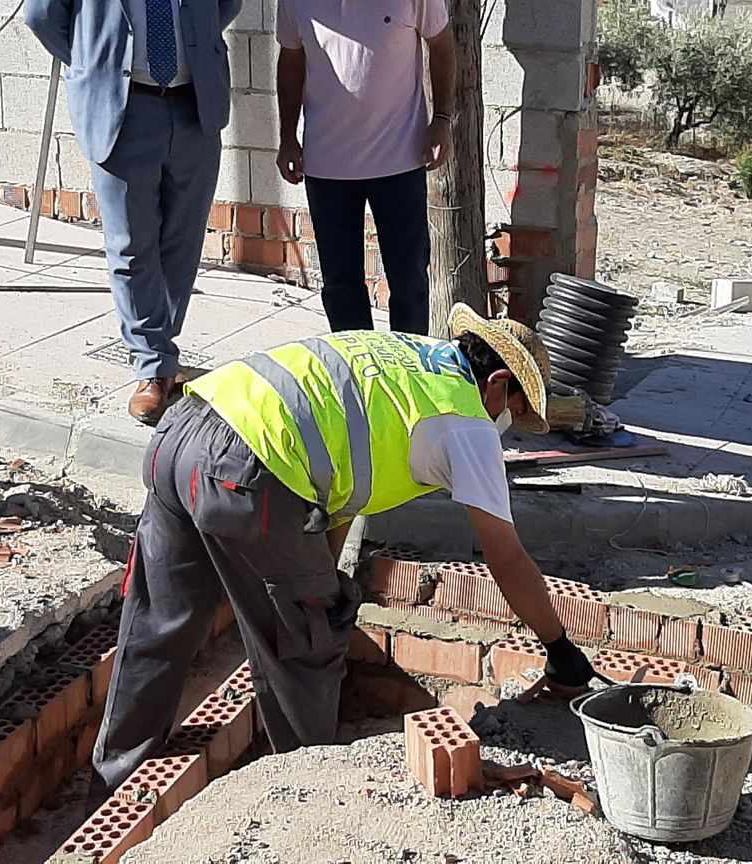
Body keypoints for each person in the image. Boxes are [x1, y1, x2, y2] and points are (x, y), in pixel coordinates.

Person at [88, 305, 601, 802]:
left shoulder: (410, 359)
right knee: (306, 647)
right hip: (249, 471)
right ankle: (308, 799)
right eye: (513, 407)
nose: (507, 422)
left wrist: (317, 583)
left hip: (182, 428)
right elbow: (507, 559)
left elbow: (337, 473)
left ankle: (112, 783)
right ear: (496, 383)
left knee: (158, 621)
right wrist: (559, 647)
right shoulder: (466, 423)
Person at [24, 0, 242, 425]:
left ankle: (162, 349)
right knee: (129, 245)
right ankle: (152, 363)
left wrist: (191, 50)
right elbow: (44, 12)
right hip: (122, 110)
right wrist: (99, 64)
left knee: (182, 241)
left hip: (194, 104)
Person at [274, 0, 456, 336]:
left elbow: (444, 45)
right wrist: (287, 136)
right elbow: (291, 61)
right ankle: (357, 374)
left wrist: (442, 117)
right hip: (329, 164)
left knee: (409, 280)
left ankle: (410, 373)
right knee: (341, 285)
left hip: (399, 161)